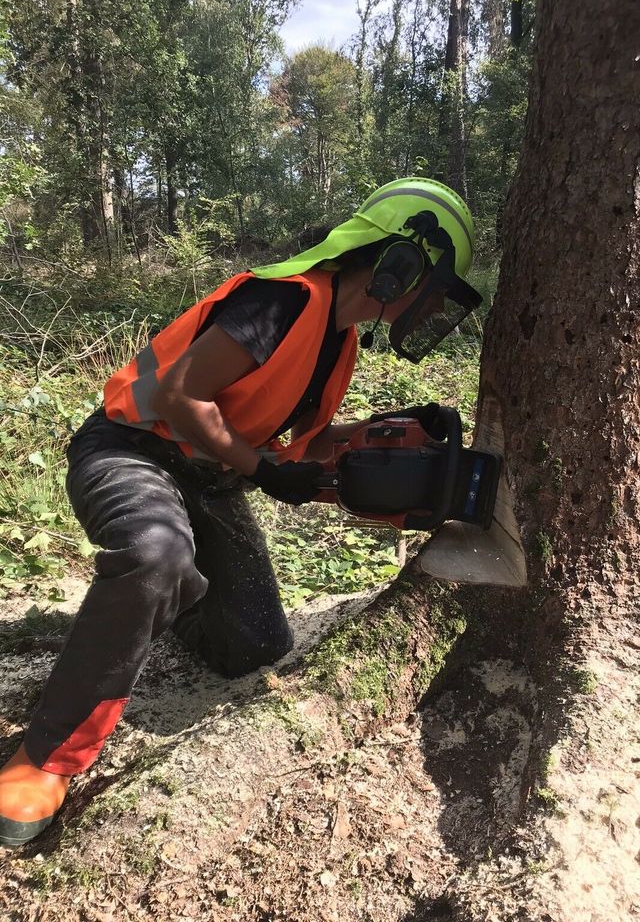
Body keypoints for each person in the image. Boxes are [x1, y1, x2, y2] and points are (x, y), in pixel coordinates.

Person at [0, 177, 481, 847]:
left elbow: (303, 446)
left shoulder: (336, 342)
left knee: (255, 642)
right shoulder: (280, 300)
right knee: (156, 554)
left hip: (207, 476)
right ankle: (45, 756)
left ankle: (153, 609)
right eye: (426, 290)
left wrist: (376, 447)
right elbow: (179, 397)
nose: (423, 309)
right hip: (132, 449)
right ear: (400, 264)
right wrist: (264, 471)